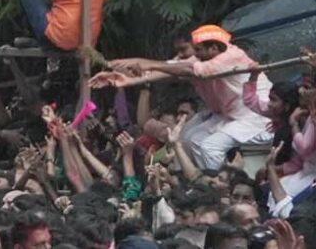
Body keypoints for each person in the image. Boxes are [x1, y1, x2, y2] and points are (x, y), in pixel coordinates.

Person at [96, 24, 276, 169]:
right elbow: (164, 70)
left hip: (256, 117)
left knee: (210, 147)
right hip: (228, 116)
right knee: (187, 139)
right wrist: (124, 79)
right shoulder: (199, 57)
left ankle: (216, 186)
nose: (184, 56)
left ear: (212, 48)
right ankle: (198, 179)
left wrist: (143, 64)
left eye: (188, 50)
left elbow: (184, 68)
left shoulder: (229, 56)